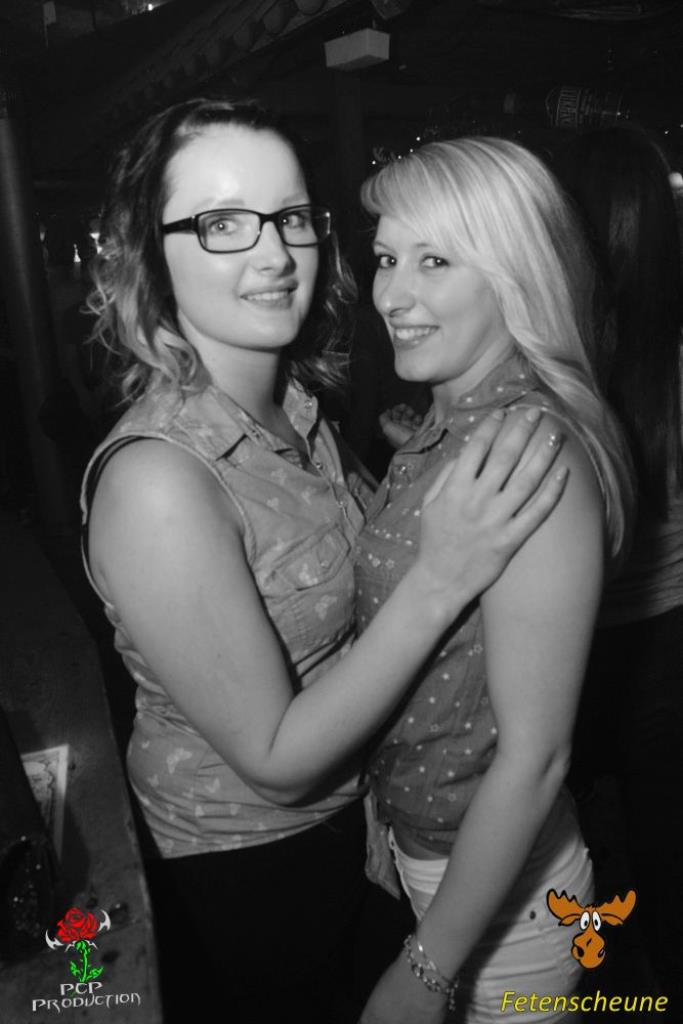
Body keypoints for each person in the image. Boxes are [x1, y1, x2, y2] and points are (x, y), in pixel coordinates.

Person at [79, 98, 570, 1023]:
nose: (273, 253)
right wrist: (441, 575)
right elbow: (276, 762)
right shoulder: (157, 482)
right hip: (254, 867)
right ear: (150, 252)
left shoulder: (297, 411)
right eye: (222, 223)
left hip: (363, 826)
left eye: (290, 216)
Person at [355, 136, 635, 1024]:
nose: (391, 295)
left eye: (434, 260)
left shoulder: (524, 450)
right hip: (438, 853)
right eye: (386, 258)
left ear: (513, 274)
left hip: (506, 904)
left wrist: (424, 970)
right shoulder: (452, 419)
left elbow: (535, 756)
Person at [559, 124, 683, 1013]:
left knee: (552, 847)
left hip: (561, 645)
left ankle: (583, 987)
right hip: (667, 638)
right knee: (666, 848)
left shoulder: (546, 378)